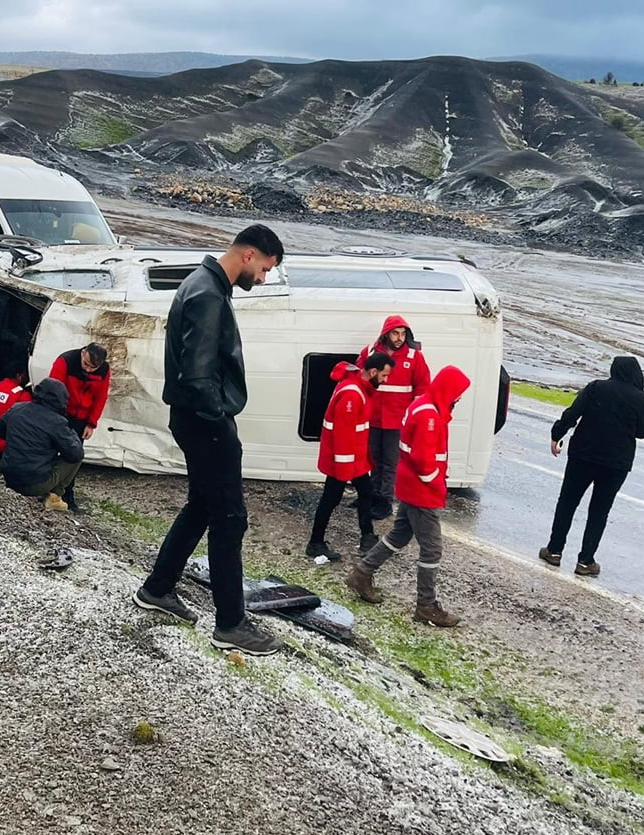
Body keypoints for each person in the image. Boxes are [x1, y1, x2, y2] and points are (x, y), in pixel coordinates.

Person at [134, 224, 286, 656]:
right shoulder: (207, 294)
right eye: (264, 270)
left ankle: (158, 588)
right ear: (249, 254)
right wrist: (220, 422)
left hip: (193, 418)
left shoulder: (204, 286)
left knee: (202, 505)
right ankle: (231, 624)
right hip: (205, 421)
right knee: (229, 518)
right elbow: (199, 374)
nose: (262, 280)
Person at [347, 366, 471, 627]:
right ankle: (426, 605)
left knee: (399, 535)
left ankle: (362, 572)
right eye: (458, 394)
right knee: (432, 549)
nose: (459, 399)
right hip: (421, 492)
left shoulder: (424, 406)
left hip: (411, 487)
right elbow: (424, 461)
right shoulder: (430, 416)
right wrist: (436, 486)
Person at [538, 356, 644, 576]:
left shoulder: (596, 388)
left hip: (583, 454)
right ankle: (585, 561)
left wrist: (557, 434)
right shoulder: (640, 398)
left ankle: (554, 550)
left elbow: (573, 412)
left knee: (568, 502)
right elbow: (643, 432)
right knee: (599, 510)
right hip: (616, 463)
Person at [306, 353, 394, 563]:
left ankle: (366, 536)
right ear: (373, 372)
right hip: (344, 461)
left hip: (352, 459)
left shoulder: (354, 386)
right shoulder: (353, 396)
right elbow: (343, 435)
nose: (385, 380)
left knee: (365, 493)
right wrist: (345, 471)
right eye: (384, 375)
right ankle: (316, 542)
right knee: (331, 499)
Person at [357, 316, 431, 519]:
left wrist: (415, 417)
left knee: (390, 463)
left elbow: (423, 387)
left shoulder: (415, 357)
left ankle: (385, 502)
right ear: (386, 333)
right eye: (395, 333)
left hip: (398, 420)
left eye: (403, 334)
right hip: (373, 417)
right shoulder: (371, 352)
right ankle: (371, 496)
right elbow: (359, 377)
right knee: (371, 459)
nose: (399, 338)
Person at [0, 378, 84, 511]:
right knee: (76, 457)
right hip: (34, 484)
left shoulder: (16, 408)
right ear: (61, 400)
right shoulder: (57, 422)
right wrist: (71, 431)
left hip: (9, 476)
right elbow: (75, 453)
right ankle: (54, 497)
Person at [49, 342, 111, 508]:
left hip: (81, 419)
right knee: (51, 452)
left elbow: (101, 397)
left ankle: (66, 494)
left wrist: (91, 423)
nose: (88, 370)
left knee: (74, 456)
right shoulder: (65, 361)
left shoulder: (104, 370)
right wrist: (55, 417)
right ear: (83, 353)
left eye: (93, 368)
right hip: (61, 414)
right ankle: (44, 489)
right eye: (86, 365)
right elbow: (54, 390)